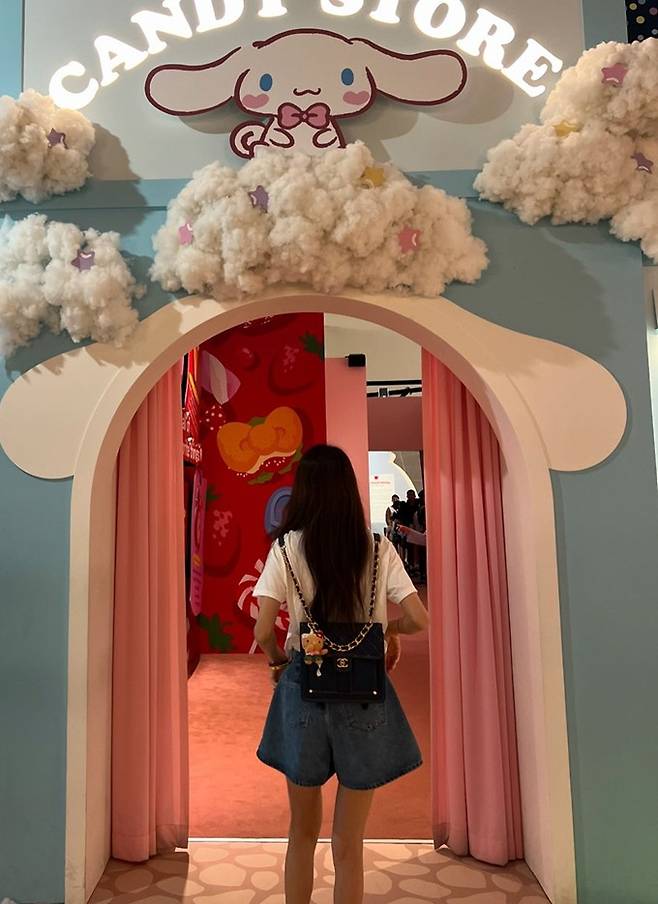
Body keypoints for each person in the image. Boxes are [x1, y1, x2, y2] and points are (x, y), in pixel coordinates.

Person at [253, 445, 428, 904]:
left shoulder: (285, 549)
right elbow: (419, 617)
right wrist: (388, 633)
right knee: (349, 843)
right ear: (349, 490)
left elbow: (262, 629)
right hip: (363, 692)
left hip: (303, 691)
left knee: (301, 832)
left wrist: (277, 661)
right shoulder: (378, 548)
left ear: (304, 492)